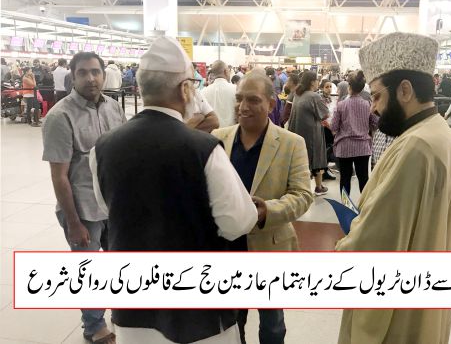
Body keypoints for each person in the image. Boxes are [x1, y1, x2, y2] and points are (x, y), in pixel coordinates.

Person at [89, 37, 258, 344]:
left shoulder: (103, 148)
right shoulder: (203, 148)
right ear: (184, 89)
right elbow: (238, 222)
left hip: (134, 307)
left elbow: (105, 208)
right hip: (199, 314)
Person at [336, 32, 451, 344]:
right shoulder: (435, 130)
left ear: (405, 90)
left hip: (398, 310)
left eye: (377, 96)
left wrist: (340, 251)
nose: (373, 108)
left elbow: (379, 238)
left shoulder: (416, 145)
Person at [212, 72, 313, 344]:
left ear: (270, 104)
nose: (243, 107)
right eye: (239, 99)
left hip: (270, 247)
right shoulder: (218, 139)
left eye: (253, 100)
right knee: (233, 321)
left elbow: (303, 195)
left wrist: (266, 210)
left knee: (272, 323)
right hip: (228, 247)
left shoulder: (292, 143)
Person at [42, 52, 127, 344]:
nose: (91, 78)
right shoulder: (60, 116)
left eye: (95, 72)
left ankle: (120, 314)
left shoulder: (114, 108)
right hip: (83, 210)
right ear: (73, 77)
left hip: (113, 206)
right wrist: (74, 222)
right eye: (83, 73)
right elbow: (59, 175)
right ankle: (93, 326)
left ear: (103, 74)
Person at [330, 71, 378, 195]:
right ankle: (365, 208)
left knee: (345, 180)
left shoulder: (340, 105)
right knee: (364, 179)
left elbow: (334, 126)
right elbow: (375, 124)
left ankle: (346, 209)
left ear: (349, 86)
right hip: (363, 147)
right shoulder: (367, 104)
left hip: (344, 147)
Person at [288, 71, 330, 196]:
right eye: (317, 80)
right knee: (316, 159)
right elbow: (325, 114)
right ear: (312, 82)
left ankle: (301, 187)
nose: (318, 83)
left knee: (301, 160)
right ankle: (318, 187)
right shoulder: (314, 96)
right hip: (312, 133)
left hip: (297, 132)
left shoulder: (298, 94)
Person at [201, 60, 237, 128]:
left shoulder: (203, 92)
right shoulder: (236, 89)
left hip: (211, 135)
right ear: (225, 71)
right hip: (231, 134)